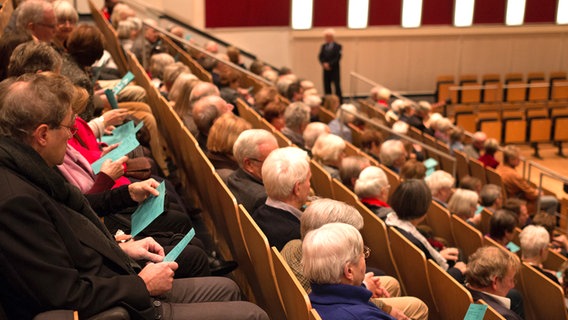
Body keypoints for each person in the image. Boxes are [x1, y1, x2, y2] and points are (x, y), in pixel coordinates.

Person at [0, 73, 268, 320]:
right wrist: (141, 284)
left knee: (229, 288)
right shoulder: (15, 201)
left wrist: (119, 247)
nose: (72, 136)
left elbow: (72, 230)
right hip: (121, 305)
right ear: (43, 134)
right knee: (252, 315)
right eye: (69, 128)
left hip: (119, 280)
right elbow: (64, 294)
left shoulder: (30, 165)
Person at [281, 199, 428, 320]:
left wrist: (363, 287)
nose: (365, 256)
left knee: (391, 283)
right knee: (417, 306)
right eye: (361, 252)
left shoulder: (314, 284)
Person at [303, 223, 395, 320]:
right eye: (363, 253)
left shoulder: (313, 298)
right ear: (349, 271)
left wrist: (364, 287)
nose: (364, 257)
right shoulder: (364, 317)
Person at [386, 180, 466, 282]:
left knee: (457, 252)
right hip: (440, 283)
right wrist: (457, 271)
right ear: (423, 209)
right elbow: (434, 280)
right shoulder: (413, 241)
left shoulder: (390, 222)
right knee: (460, 259)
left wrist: (438, 255)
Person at [252, 147, 311, 250]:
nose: (310, 185)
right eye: (309, 179)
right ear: (297, 188)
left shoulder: (258, 212)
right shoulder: (296, 236)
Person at [227, 129, 278, 214]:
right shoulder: (262, 199)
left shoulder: (232, 177)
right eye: (271, 160)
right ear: (249, 164)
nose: (278, 164)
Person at [497, 145, 558, 215]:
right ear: (511, 160)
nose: (520, 159)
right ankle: (546, 223)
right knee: (553, 201)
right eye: (518, 158)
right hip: (518, 203)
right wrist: (538, 193)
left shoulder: (500, 167)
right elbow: (531, 194)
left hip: (509, 199)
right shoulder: (514, 175)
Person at [465, 247, 522, 320]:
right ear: (495, 281)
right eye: (511, 280)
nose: (513, 285)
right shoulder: (504, 317)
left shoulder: (458, 293)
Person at [318, 28, 342, 103]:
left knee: (337, 86)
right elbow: (320, 56)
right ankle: (328, 102)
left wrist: (330, 64)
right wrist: (324, 63)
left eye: (327, 37)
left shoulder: (338, 46)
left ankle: (339, 101)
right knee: (327, 86)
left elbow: (338, 57)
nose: (326, 38)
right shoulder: (323, 46)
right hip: (326, 70)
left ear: (331, 37)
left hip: (334, 69)